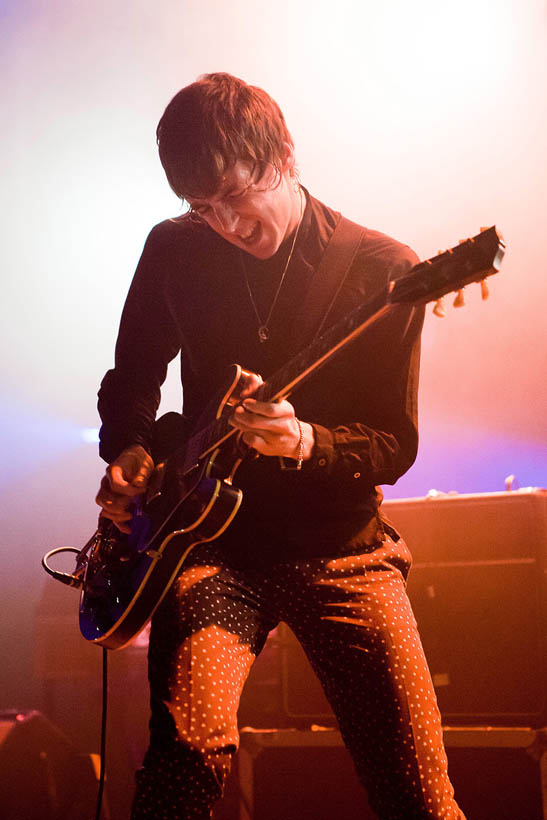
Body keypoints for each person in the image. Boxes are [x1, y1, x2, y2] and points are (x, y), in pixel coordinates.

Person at [95, 72, 465, 819]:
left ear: (284, 157)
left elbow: (392, 442)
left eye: (236, 195)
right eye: (203, 207)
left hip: (341, 550)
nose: (225, 222)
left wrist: (304, 442)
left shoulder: (382, 270)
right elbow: (135, 372)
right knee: (183, 762)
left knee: (418, 794)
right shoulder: (175, 248)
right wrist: (129, 447)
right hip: (207, 546)